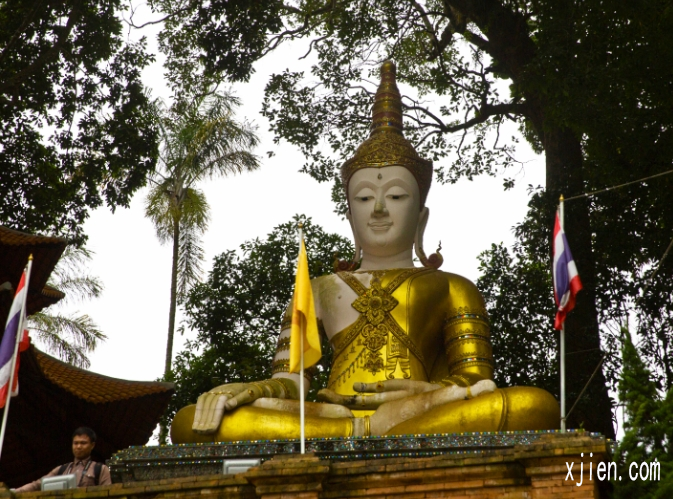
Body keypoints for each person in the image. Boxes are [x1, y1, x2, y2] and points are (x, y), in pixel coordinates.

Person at [171, 61, 559, 443]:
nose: (379, 209)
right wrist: (251, 391)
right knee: (192, 421)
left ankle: (367, 431)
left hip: (419, 414)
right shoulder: (317, 288)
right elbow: (291, 381)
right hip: (330, 416)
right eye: (364, 198)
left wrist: (426, 395)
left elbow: (476, 381)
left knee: (533, 406)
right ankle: (361, 431)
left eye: (396, 195)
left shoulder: (452, 287)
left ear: (421, 217)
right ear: (349, 216)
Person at [14, 427, 111, 492]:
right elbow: (38, 484)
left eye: (83, 443)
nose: (78, 446)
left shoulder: (100, 469)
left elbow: (109, 493)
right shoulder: (61, 469)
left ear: (92, 445)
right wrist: (15, 492)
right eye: (75, 443)